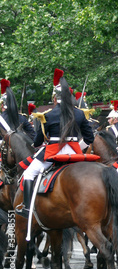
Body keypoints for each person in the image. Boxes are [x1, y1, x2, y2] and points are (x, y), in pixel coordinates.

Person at [16, 69, 95, 218]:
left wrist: (38, 144)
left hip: (53, 152)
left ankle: (27, 209)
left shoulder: (47, 115)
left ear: (54, 98)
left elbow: (38, 141)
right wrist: (77, 147)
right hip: (75, 152)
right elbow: (90, 138)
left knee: (28, 173)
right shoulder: (79, 113)